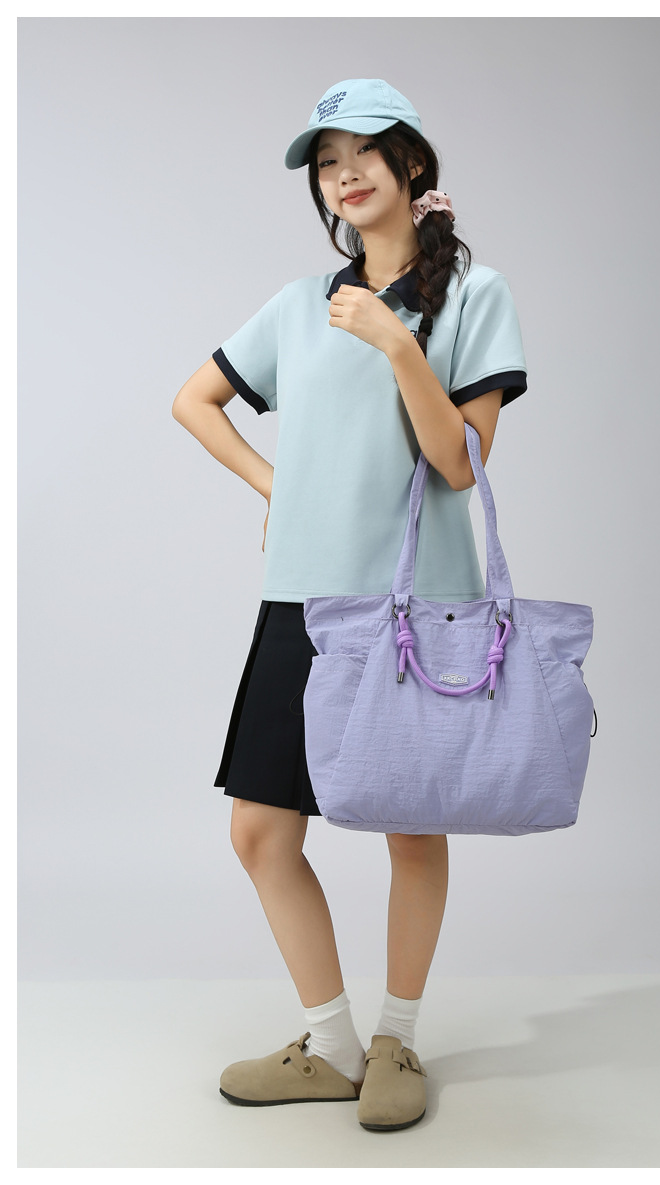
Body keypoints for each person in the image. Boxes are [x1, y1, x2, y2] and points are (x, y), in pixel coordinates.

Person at [172, 77, 528, 1132]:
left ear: (412, 164)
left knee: (410, 830)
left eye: (362, 151)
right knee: (260, 830)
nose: (344, 174)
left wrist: (398, 341)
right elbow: (194, 399)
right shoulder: (299, 304)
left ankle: (396, 1041)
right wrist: (276, 486)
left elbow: (460, 465)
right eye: (327, 162)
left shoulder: (476, 295)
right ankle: (329, 1043)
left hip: (420, 607)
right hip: (304, 601)